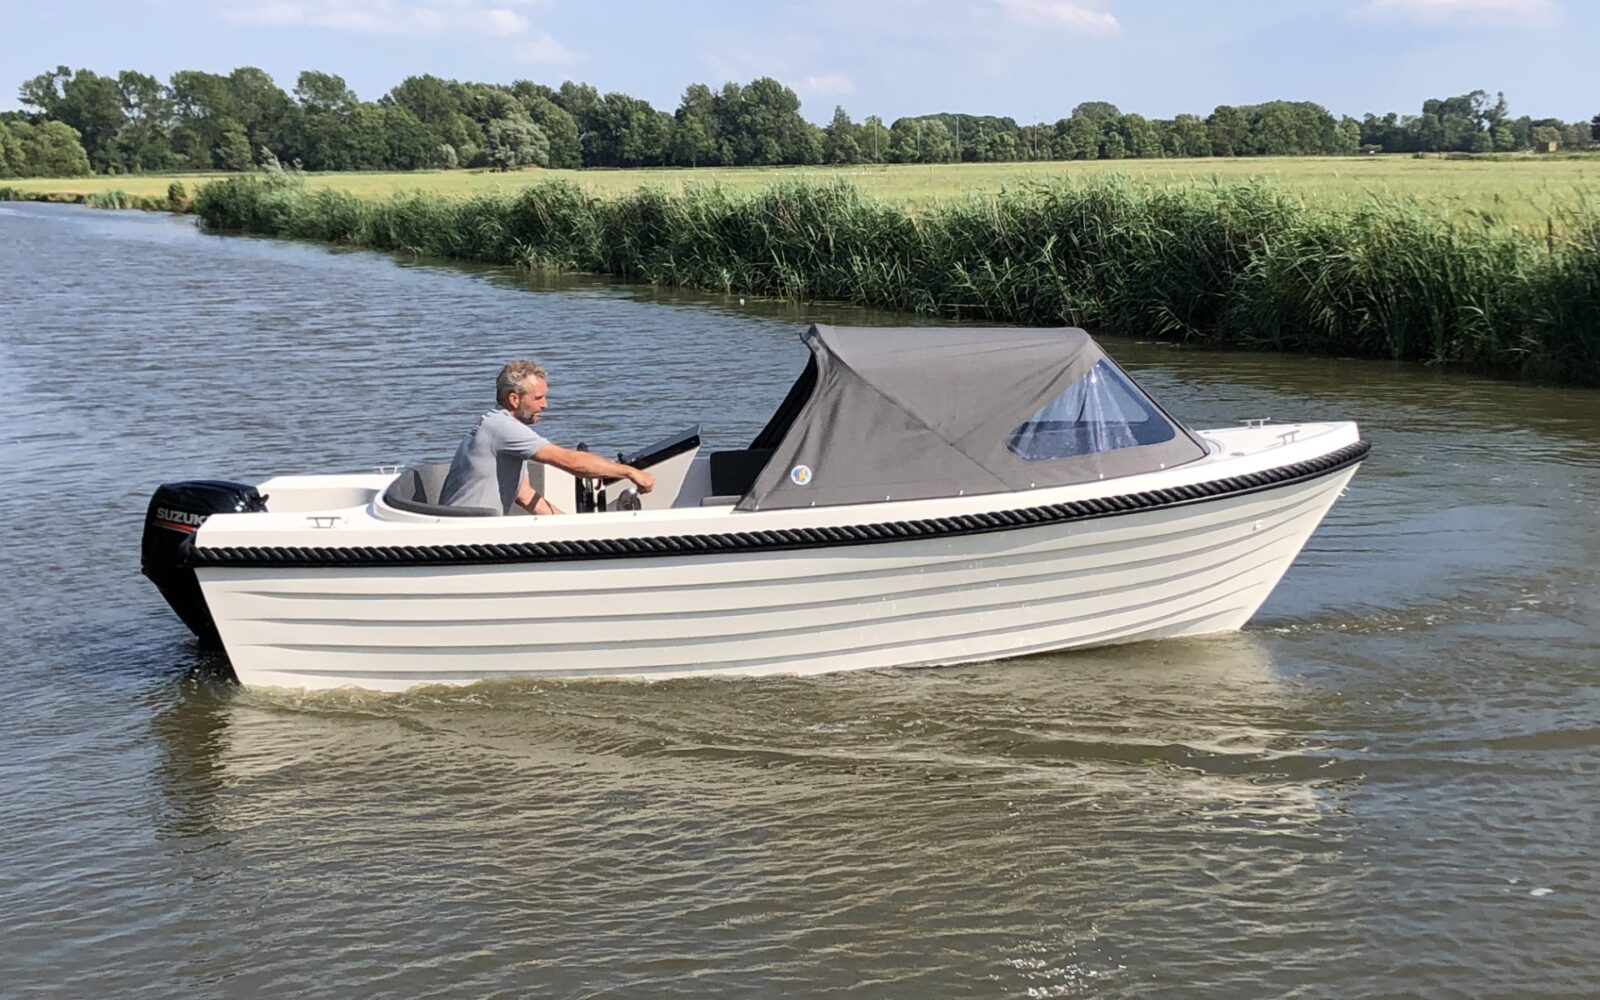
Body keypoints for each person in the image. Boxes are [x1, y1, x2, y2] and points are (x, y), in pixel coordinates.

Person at [440, 360, 654, 515]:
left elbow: (524, 495)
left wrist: (569, 528)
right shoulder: (503, 428)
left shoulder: (499, 425)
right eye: (538, 398)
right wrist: (628, 472)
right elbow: (568, 461)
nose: (545, 405)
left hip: (476, 529)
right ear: (514, 399)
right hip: (469, 534)